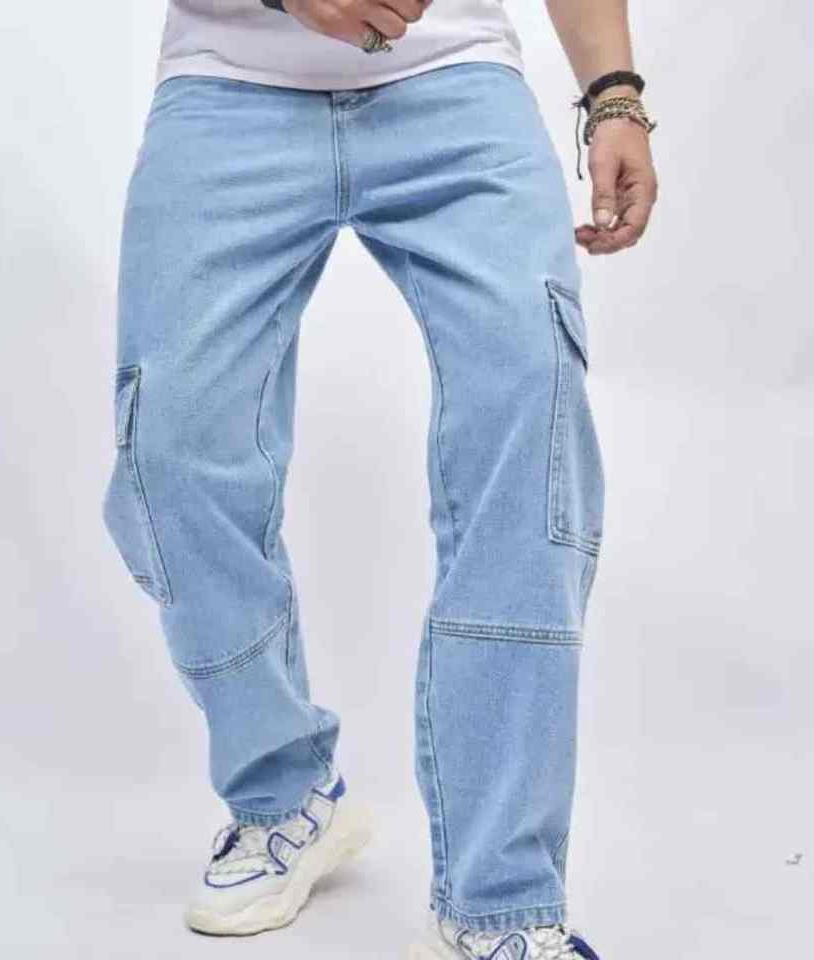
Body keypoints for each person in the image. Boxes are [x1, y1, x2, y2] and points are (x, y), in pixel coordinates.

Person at [101, 1, 658, 956]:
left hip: (456, 88)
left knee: (530, 434)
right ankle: (283, 792)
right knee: (170, 455)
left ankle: (501, 900)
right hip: (226, 88)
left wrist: (613, 96)